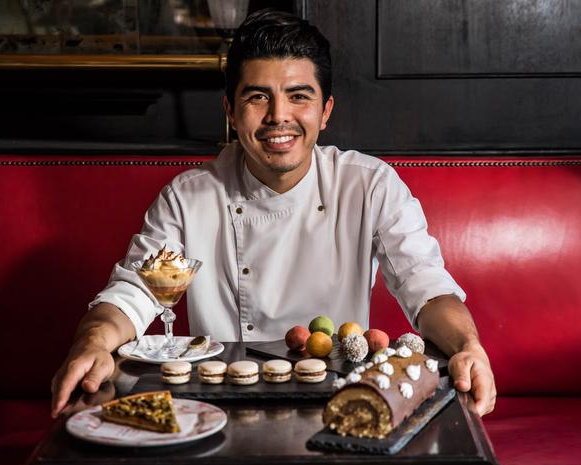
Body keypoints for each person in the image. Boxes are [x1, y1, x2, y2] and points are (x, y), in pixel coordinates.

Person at [51, 9, 496, 421]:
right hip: (222, 404)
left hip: (340, 402)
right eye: (258, 97)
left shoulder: (370, 185)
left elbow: (428, 288)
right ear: (230, 111)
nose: (278, 117)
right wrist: (93, 344)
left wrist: (467, 346)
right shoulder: (188, 197)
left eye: (298, 96)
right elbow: (132, 293)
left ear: (325, 112)